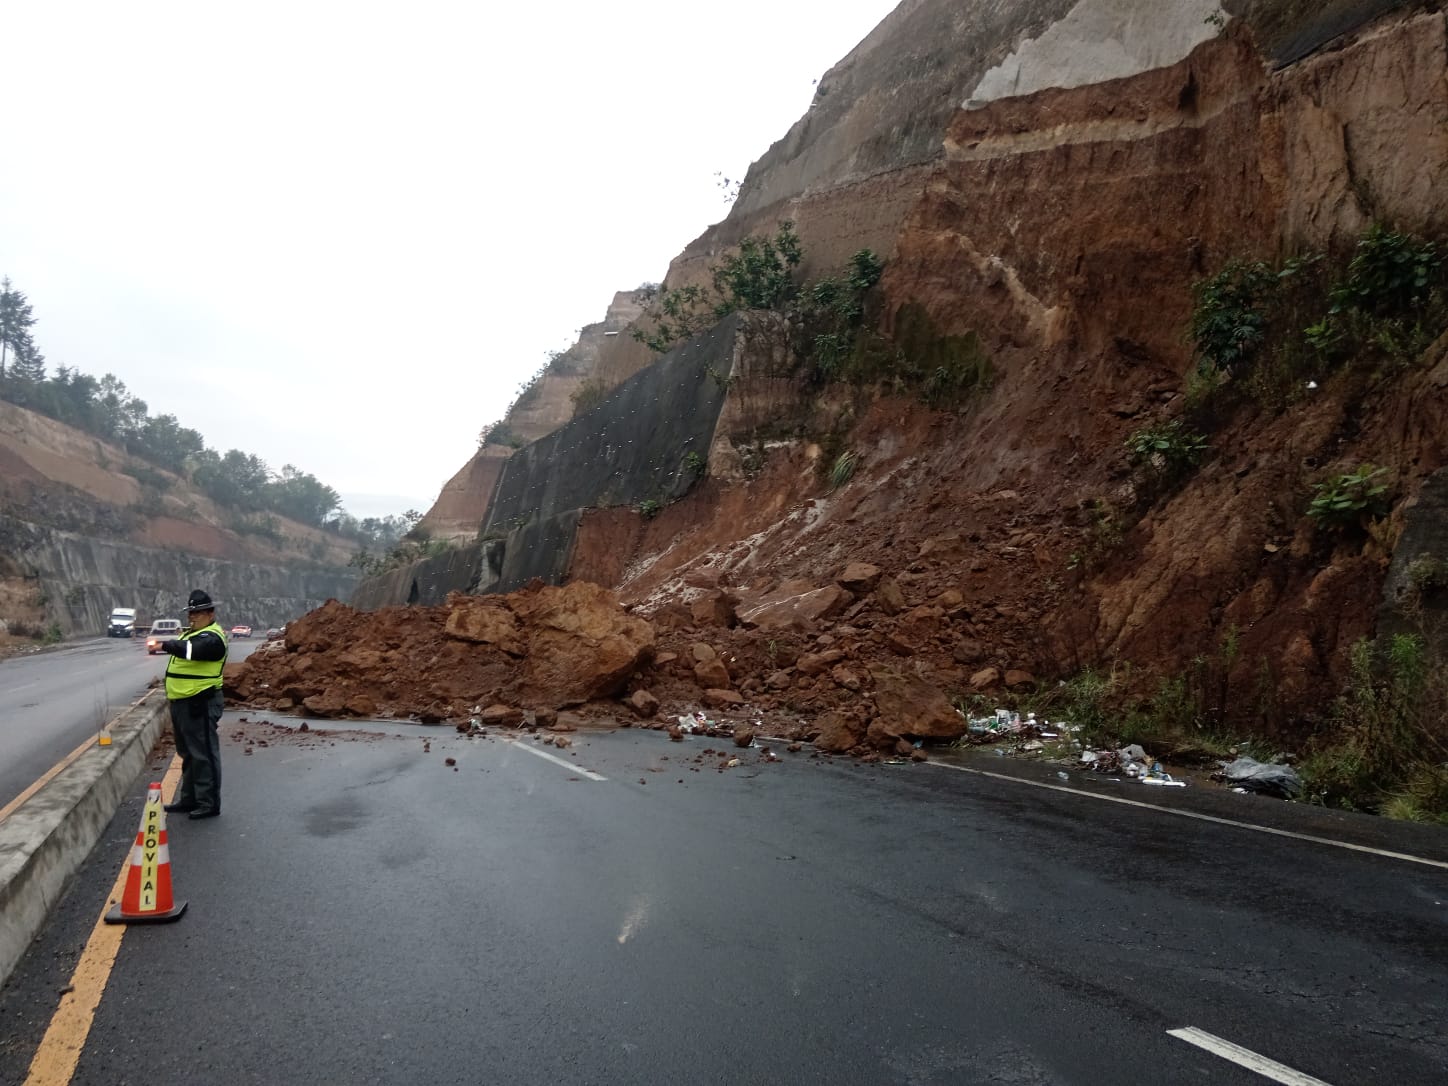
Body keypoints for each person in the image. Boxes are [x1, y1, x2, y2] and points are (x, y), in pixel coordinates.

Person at [159, 589, 230, 820]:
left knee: (203, 754)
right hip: (182, 702)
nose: (193, 617)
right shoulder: (191, 633)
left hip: (200, 701)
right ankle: (190, 798)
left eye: (198, 613)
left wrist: (169, 644)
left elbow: (192, 652)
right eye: (191, 613)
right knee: (187, 753)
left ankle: (208, 803)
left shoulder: (213, 637)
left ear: (210, 613)